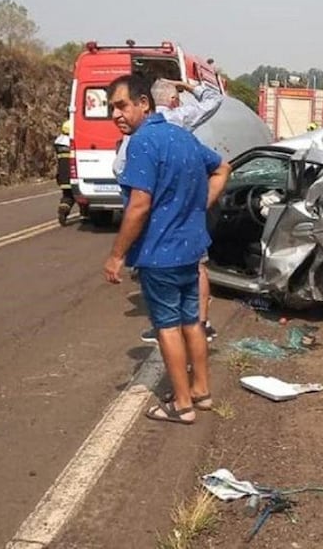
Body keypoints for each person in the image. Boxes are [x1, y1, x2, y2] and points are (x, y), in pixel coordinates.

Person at [104, 74, 231, 425]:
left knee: (168, 327)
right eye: (111, 108)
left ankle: (182, 404)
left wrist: (116, 255)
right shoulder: (181, 136)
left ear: (144, 103)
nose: (116, 114)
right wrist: (198, 205)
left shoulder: (143, 143)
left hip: (160, 254)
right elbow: (222, 167)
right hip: (190, 251)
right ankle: (202, 392)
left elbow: (139, 205)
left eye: (122, 106)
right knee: (193, 322)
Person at [113, 78, 223, 344]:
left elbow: (120, 170)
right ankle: (201, 322)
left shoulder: (139, 137)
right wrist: (188, 84)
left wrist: (117, 254)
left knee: (167, 321)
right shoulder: (181, 119)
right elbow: (215, 100)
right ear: (173, 100)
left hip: (155, 221)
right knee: (197, 267)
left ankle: (166, 325)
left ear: (146, 102)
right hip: (186, 214)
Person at [54, 120, 76, 225]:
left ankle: (63, 207)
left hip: (62, 175)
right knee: (74, 196)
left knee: (67, 194)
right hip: (73, 174)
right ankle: (84, 213)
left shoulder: (59, 144)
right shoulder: (73, 144)